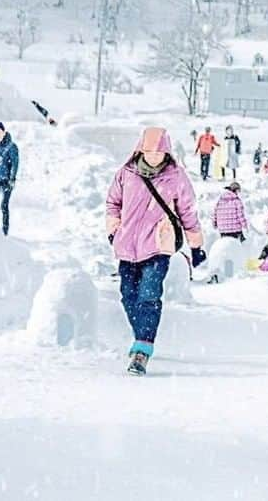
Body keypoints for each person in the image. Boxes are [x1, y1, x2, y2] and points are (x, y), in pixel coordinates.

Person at [106, 126, 205, 374]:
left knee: (148, 296)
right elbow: (112, 203)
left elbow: (188, 212)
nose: (153, 157)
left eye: (159, 152)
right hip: (127, 245)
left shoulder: (176, 177)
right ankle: (141, 334)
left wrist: (196, 244)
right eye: (149, 151)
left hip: (158, 245)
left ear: (167, 153)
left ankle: (142, 350)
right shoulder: (126, 173)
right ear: (140, 149)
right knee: (128, 296)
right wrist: (114, 230)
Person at [0, 123, 20, 237]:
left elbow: (15, 163)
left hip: (6, 181)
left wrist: (12, 179)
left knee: (4, 205)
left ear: (4, 132)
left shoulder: (11, 146)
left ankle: (5, 233)